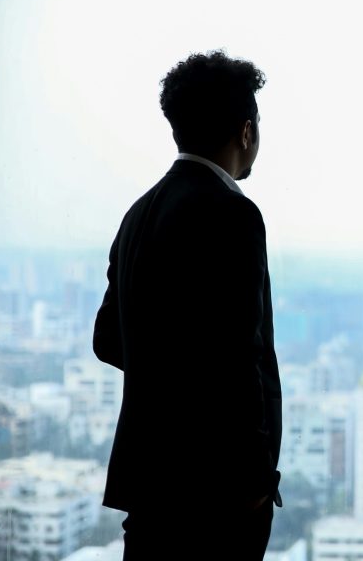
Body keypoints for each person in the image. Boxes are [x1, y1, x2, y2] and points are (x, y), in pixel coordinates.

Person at [93, 50, 282, 560]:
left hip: (150, 485)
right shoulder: (233, 214)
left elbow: (107, 340)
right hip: (219, 493)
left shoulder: (138, 214)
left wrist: (167, 376)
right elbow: (241, 358)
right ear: (246, 132)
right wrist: (256, 481)